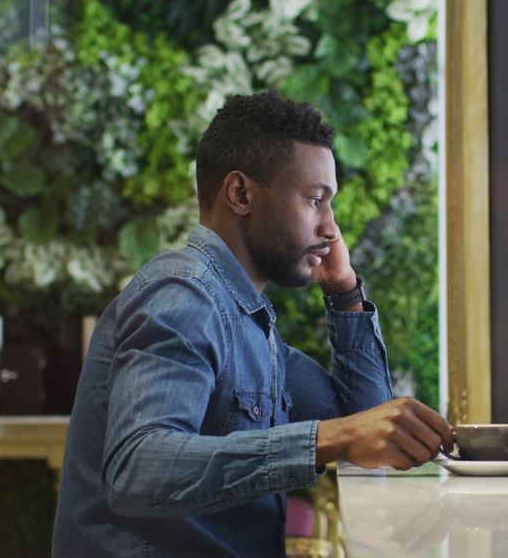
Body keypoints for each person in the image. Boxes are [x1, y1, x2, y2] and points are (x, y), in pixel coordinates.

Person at [52, 92, 453, 557]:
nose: (331, 229)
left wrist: (344, 294)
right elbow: (138, 470)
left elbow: (366, 423)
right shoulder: (182, 297)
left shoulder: (250, 324)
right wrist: (331, 439)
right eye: (315, 200)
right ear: (240, 194)